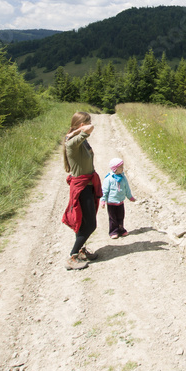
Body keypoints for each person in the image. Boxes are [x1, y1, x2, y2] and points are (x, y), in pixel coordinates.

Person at [60, 111, 102, 270]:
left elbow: (88, 128)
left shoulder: (79, 141)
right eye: (87, 121)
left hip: (88, 184)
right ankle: (72, 256)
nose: (90, 123)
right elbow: (90, 127)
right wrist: (76, 131)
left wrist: (75, 131)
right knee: (90, 224)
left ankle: (81, 251)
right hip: (81, 187)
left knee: (85, 221)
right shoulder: (72, 142)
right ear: (80, 125)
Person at [100, 157, 136, 239]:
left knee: (121, 216)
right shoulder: (109, 178)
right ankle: (113, 231)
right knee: (113, 218)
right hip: (111, 202)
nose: (122, 168)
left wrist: (130, 197)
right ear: (115, 169)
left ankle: (121, 229)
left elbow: (127, 187)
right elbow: (104, 190)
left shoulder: (123, 178)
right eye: (121, 167)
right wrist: (103, 200)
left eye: (122, 166)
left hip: (120, 202)